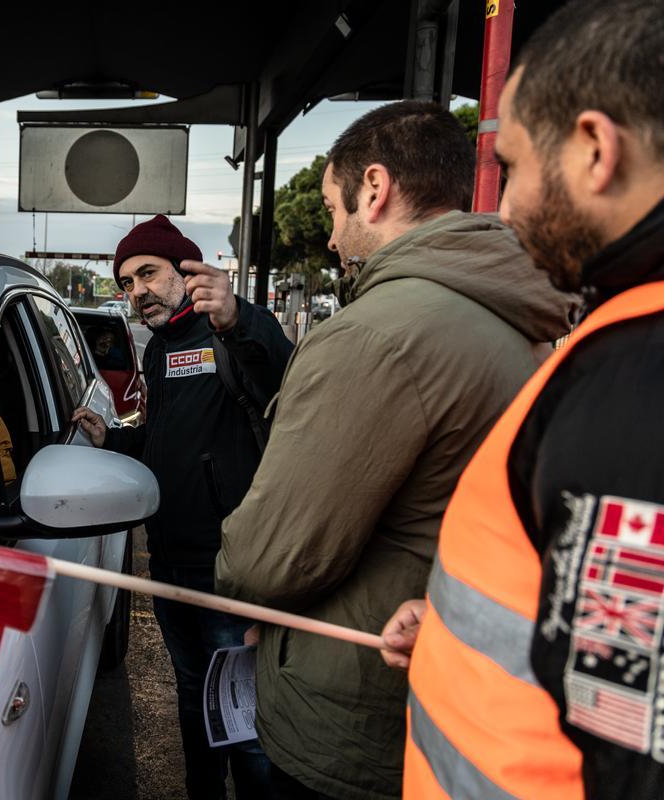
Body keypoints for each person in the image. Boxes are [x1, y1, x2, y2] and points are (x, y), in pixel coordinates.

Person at [213, 101, 573, 800]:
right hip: (439, 692)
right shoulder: (508, 321)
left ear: (374, 190)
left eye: (332, 210)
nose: (329, 240)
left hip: (351, 718)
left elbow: (273, 556)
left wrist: (231, 566)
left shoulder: (375, 335)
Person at [379, 2, 664, 797]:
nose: (500, 210)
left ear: (596, 150)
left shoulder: (637, 384)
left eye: (512, 168)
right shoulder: (622, 333)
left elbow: (632, 745)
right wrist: (452, 634)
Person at [72, 214, 292, 800]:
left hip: (228, 571)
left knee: (244, 723)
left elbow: (284, 380)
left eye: (149, 273)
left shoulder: (229, 335)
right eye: (127, 282)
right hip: (170, 565)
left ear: (187, 271)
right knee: (194, 699)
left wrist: (241, 318)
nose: (138, 291)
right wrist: (111, 440)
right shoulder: (159, 351)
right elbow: (165, 440)